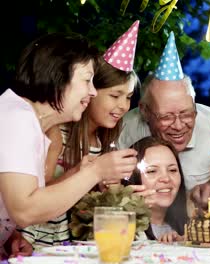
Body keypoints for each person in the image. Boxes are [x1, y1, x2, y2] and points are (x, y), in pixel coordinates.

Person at [0, 33, 137, 259]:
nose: (92, 92)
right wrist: (95, 171)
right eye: (87, 80)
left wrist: (9, 233)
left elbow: (34, 197)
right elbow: (25, 209)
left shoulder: (29, 123)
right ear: (59, 77)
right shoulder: (17, 118)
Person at [118, 32, 210, 213]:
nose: (179, 126)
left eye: (187, 114)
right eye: (166, 117)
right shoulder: (124, 129)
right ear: (144, 111)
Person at [126, 136, 187, 243]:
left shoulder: (190, 229)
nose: (166, 178)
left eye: (172, 170)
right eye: (152, 171)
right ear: (133, 178)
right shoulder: (121, 229)